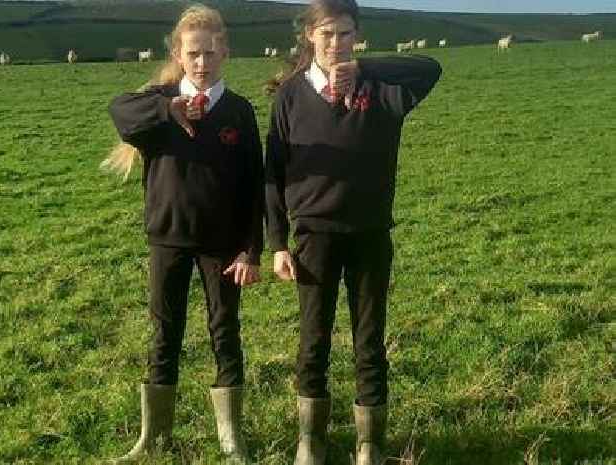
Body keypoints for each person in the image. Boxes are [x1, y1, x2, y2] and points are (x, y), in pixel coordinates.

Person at [264, 0, 442, 463]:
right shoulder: (290, 95)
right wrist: (278, 243)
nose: (335, 44)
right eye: (326, 34)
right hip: (313, 237)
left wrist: (362, 68)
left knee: (369, 338)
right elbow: (274, 173)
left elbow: (430, 67)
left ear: (357, 35)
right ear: (309, 37)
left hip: (369, 234)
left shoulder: (384, 90)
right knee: (313, 338)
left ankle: (370, 445)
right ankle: (311, 440)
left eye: (345, 34)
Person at [105, 4, 263, 463]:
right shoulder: (157, 104)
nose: (202, 62)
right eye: (193, 53)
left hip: (223, 246)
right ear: (178, 53)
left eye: (211, 53)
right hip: (168, 237)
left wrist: (252, 249)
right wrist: (167, 108)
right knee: (164, 332)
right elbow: (119, 110)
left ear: (225, 53)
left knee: (224, 332)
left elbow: (255, 185)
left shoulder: (238, 111)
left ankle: (231, 439)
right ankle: (154, 436)